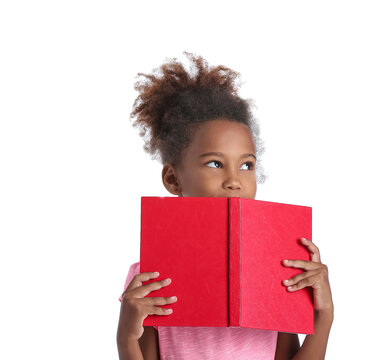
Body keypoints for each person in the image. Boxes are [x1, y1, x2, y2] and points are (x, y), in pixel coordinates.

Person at [116, 52, 334, 360]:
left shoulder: (276, 265)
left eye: (246, 165)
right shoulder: (151, 274)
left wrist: (323, 317)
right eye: (215, 163)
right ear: (173, 178)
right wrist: (126, 338)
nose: (234, 180)